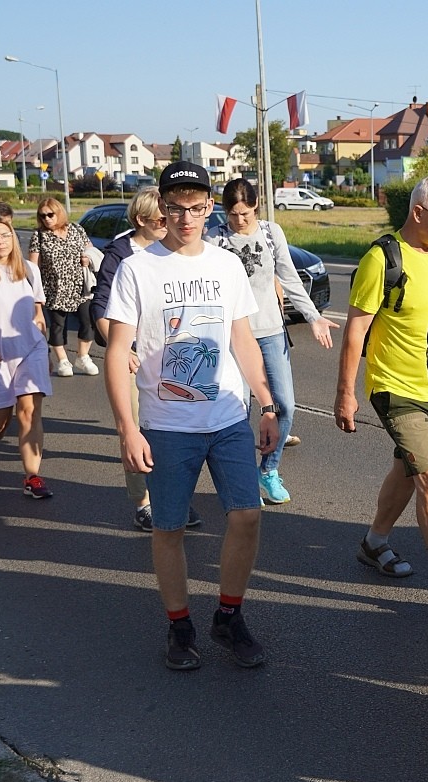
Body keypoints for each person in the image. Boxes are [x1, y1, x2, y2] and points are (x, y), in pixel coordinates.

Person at [103, 161, 279, 671]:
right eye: (176, 208)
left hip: (227, 418)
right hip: (166, 425)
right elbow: (116, 353)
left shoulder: (226, 265)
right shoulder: (138, 268)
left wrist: (267, 404)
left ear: (209, 208)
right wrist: (128, 429)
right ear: (162, 207)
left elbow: (242, 339)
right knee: (169, 528)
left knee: (247, 516)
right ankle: (180, 625)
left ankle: (229, 616)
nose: (186, 218)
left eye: (197, 208)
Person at [333, 175, 428, 617]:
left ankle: (374, 541)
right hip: (395, 388)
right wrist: (345, 393)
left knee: (408, 466)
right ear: (418, 212)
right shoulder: (382, 259)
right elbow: (355, 331)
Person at [206, 178, 338, 505]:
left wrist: (313, 317)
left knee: (285, 405)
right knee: (239, 408)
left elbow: (290, 278)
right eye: (233, 214)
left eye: (246, 213)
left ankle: (268, 469)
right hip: (233, 336)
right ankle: (242, 477)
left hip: (271, 331)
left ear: (256, 207)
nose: (240, 220)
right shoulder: (215, 239)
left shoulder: (270, 232)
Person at [90, 187, 201, 532]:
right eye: (162, 219)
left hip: (171, 355)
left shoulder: (174, 251)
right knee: (138, 429)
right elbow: (101, 307)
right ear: (141, 220)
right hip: (134, 356)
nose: (171, 223)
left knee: (174, 430)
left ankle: (171, 495)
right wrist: (122, 349)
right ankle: (143, 502)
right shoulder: (121, 255)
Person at [0, 217, 52, 498]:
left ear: (13, 237)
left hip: (30, 350)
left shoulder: (29, 270)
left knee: (29, 412)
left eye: (5, 235)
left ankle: (32, 477)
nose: (0, 241)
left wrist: (44, 342)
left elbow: (38, 312)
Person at [28, 197, 99, 377]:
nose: (46, 219)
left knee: (88, 321)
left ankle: (83, 356)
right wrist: (34, 291)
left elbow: (91, 250)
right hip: (54, 288)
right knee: (58, 326)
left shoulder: (76, 229)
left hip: (81, 287)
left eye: (50, 214)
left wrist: (87, 258)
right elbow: (33, 266)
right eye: (42, 216)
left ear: (59, 213)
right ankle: (62, 360)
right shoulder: (39, 236)